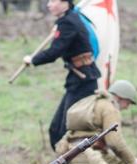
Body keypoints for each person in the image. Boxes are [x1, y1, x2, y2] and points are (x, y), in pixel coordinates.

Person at [23, 0, 101, 150]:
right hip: (78, 79)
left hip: (83, 81)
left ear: (65, 2)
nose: (48, 4)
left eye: (53, 1)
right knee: (56, 129)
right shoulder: (70, 18)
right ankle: (61, 163)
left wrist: (32, 60)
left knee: (66, 130)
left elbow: (54, 52)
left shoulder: (68, 22)